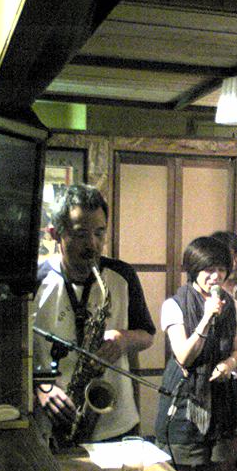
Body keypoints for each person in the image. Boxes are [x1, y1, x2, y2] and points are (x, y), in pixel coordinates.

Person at [33, 184, 156, 448]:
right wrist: (40, 389)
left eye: (100, 233)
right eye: (81, 234)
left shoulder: (122, 275)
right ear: (55, 233)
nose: (92, 244)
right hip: (54, 423)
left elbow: (148, 335)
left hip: (116, 422)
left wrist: (124, 339)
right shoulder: (34, 282)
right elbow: (13, 355)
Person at [155, 236, 237, 471]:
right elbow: (183, 356)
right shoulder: (174, 305)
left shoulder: (234, 306)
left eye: (221, 269)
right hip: (184, 399)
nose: (216, 276)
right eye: (209, 269)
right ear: (194, 269)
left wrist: (228, 365)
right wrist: (206, 318)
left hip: (219, 401)